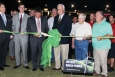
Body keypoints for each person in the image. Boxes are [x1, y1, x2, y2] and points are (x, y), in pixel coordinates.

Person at [27, 7, 49, 71]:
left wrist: (46, 34)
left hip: (42, 39)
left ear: (41, 14)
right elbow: (28, 29)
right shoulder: (30, 19)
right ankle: (35, 66)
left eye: (39, 14)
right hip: (33, 39)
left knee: (41, 53)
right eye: (37, 14)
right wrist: (33, 34)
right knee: (34, 53)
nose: (38, 16)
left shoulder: (44, 19)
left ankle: (41, 66)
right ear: (34, 13)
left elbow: (47, 28)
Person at [92, 11, 113, 77]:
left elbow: (110, 35)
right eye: (96, 15)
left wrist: (102, 38)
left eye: (97, 15)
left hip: (103, 46)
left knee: (103, 61)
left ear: (102, 16)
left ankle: (104, 73)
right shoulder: (94, 24)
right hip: (95, 45)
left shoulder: (107, 24)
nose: (96, 16)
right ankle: (97, 71)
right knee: (96, 59)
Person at [52, 4, 72, 71]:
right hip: (56, 40)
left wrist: (62, 34)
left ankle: (64, 67)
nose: (59, 10)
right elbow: (54, 27)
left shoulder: (68, 18)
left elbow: (69, 28)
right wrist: (54, 33)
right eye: (58, 9)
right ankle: (57, 66)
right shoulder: (56, 17)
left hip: (64, 39)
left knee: (64, 54)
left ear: (63, 9)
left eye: (60, 9)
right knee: (56, 53)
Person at [12, 3, 30, 69]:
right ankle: (17, 63)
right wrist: (13, 31)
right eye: (21, 7)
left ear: (24, 8)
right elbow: (13, 26)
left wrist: (25, 32)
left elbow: (29, 28)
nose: (22, 8)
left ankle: (25, 63)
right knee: (17, 50)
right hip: (16, 35)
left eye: (23, 7)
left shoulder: (28, 17)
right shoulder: (15, 16)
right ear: (18, 8)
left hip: (24, 36)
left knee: (24, 50)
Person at [0, 2, 12, 70]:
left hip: (7, 37)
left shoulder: (8, 15)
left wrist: (11, 34)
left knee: (5, 51)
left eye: (4, 7)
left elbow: (9, 26)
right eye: (2, 7)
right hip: (0, 36)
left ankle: (3, 63)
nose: (4, 8)